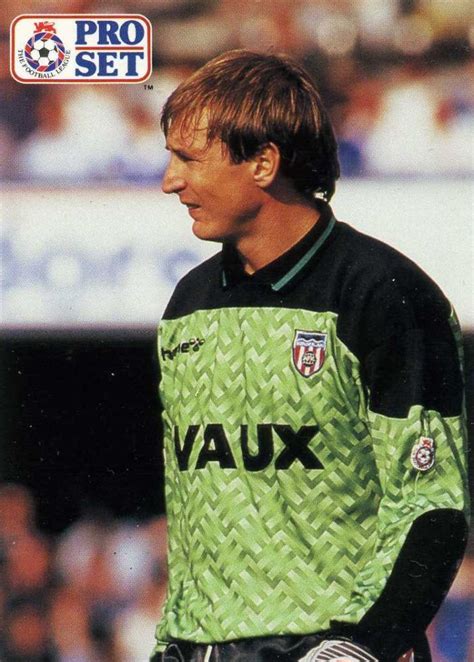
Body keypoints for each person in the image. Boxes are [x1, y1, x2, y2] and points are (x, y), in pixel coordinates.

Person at [152, 50, 469, 662]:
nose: (170, 181)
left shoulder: (384, 293)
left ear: (265, 162)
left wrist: (362, 645)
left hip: (337, 646)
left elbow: (431, 504)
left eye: (189, 159)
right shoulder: (187, 302)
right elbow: (195, 510)